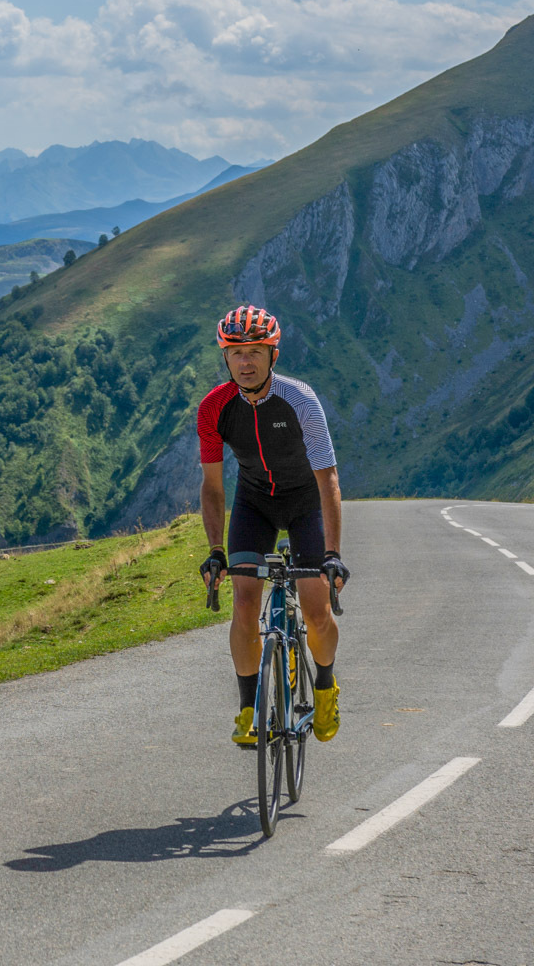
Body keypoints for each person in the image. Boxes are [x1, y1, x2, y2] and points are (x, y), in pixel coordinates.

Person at [196, 305, 350, 746]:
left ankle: (324, 686)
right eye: (236, 353)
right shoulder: (214, 408)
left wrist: (333, 554)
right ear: (225, 358)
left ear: (273, 355)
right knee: (244, 602)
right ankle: (248, 708)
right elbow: (212, 487)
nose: (246, 362)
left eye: (256, 352)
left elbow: (328, 478)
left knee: (318, 611)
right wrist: (215, 551)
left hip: (305, 504)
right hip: (254, 503)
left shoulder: (300, 400)